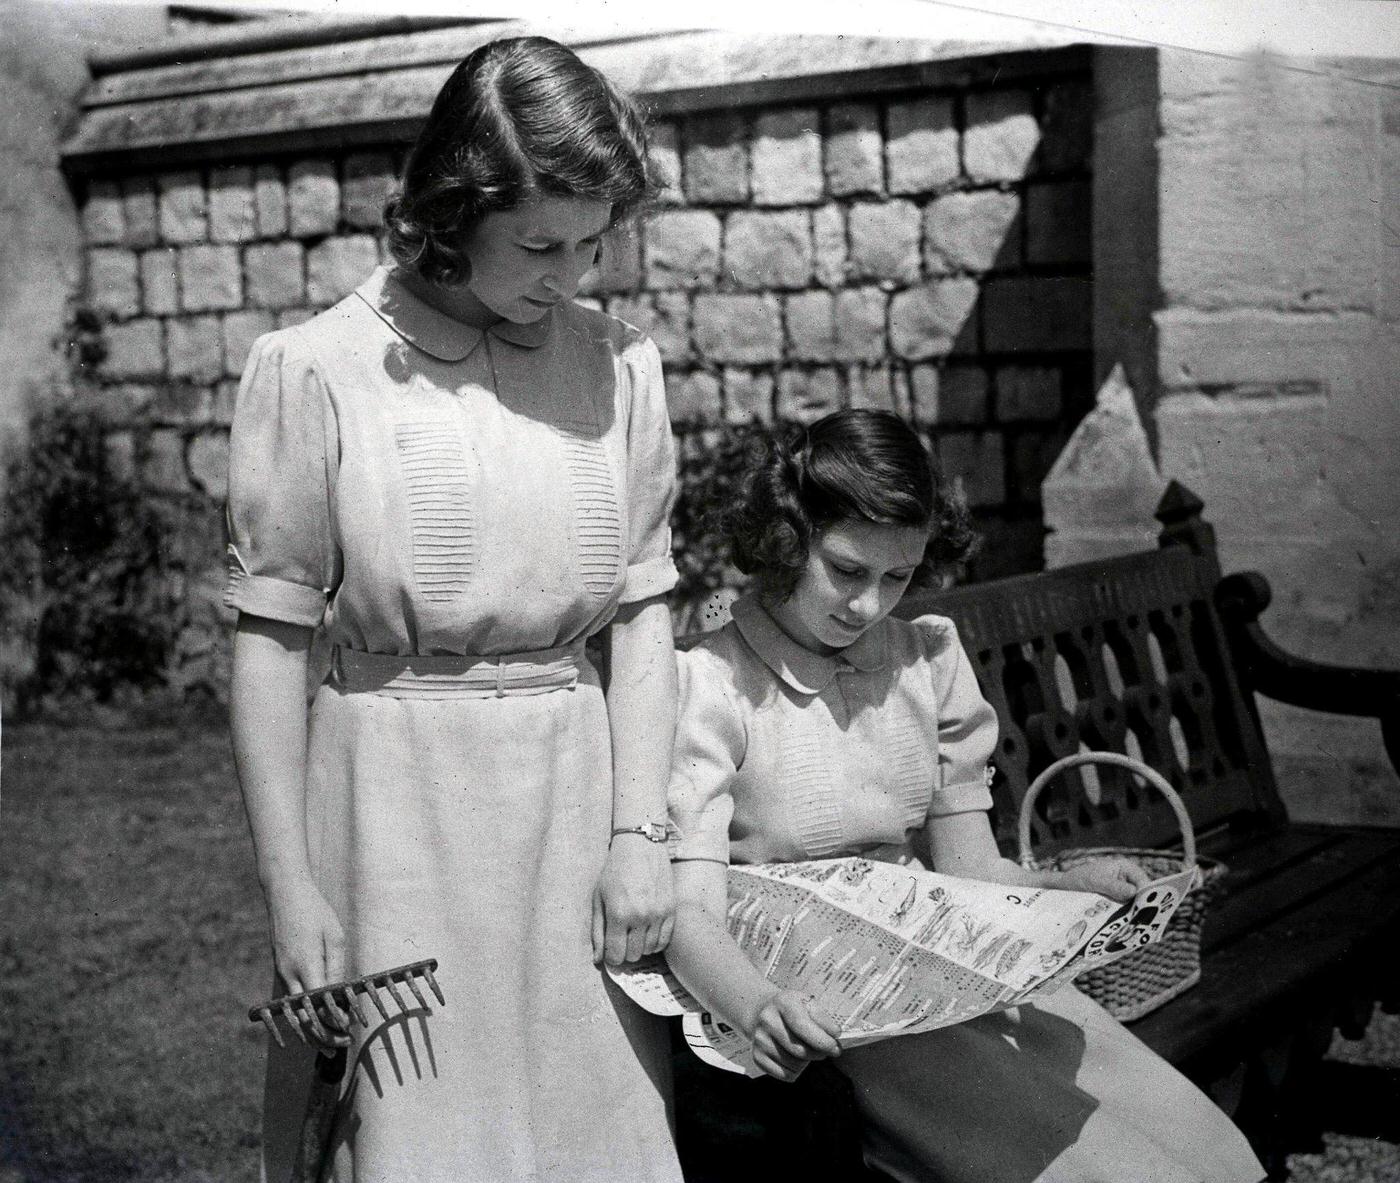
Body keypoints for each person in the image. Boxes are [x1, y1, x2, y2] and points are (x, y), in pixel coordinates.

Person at [226, 36, 683, 1182]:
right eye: (537, 243)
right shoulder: (316, 370)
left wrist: (638, 836)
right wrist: (292, 885)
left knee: (594, 1140)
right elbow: (273, 647)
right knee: (414, 1144)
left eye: (591, 243)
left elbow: (642, 620)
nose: (567, 274)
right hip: (392, 819)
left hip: (576, 812)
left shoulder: (619, 367)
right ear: (449, 209)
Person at [663, 409, 1265, 1182]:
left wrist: (1062, 888)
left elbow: (970, 873)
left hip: (944, 965)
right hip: (820, 1003)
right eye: (846, 570)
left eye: (898, 576)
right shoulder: (711, 685)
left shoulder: (928, 659)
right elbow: (691, 912)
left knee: (1178, 1135)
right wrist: (754, 1006)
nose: (869, 605)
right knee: (1084, 1162)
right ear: (786, 540)